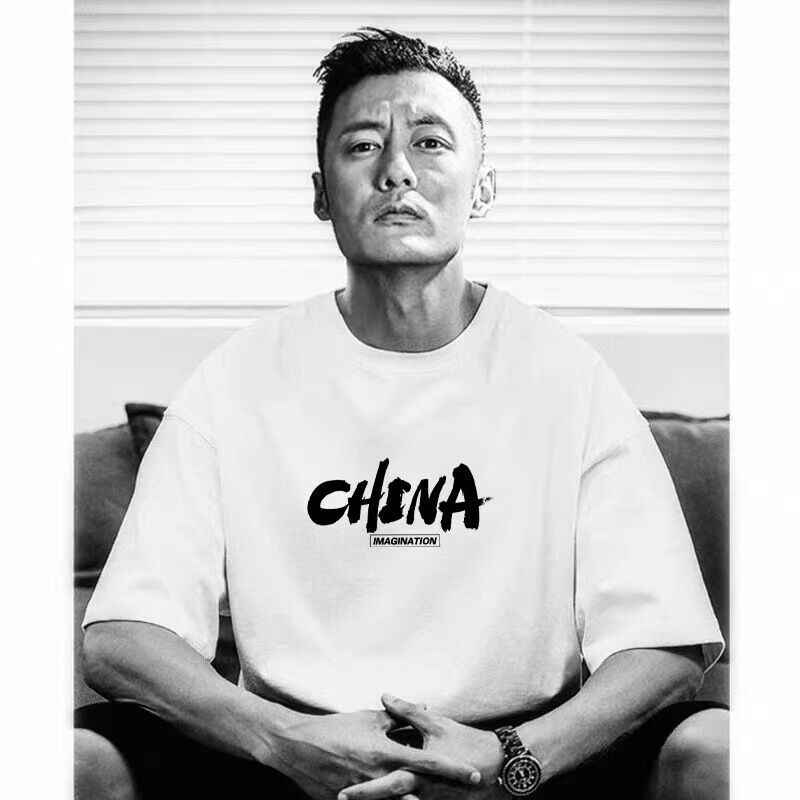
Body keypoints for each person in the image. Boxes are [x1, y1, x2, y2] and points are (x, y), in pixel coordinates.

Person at [75, 28, 728, 800]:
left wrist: (511, 759)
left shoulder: (568, 377)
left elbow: (666, 643)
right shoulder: (236, 380)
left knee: (724, 753)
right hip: (292, 750)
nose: (396, 171)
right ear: (322, 193)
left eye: (430, 142)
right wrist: (282, 740)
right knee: (73, 763)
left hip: (523, 749)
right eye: (362, 146)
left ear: (481, 188)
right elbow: (121, 638)